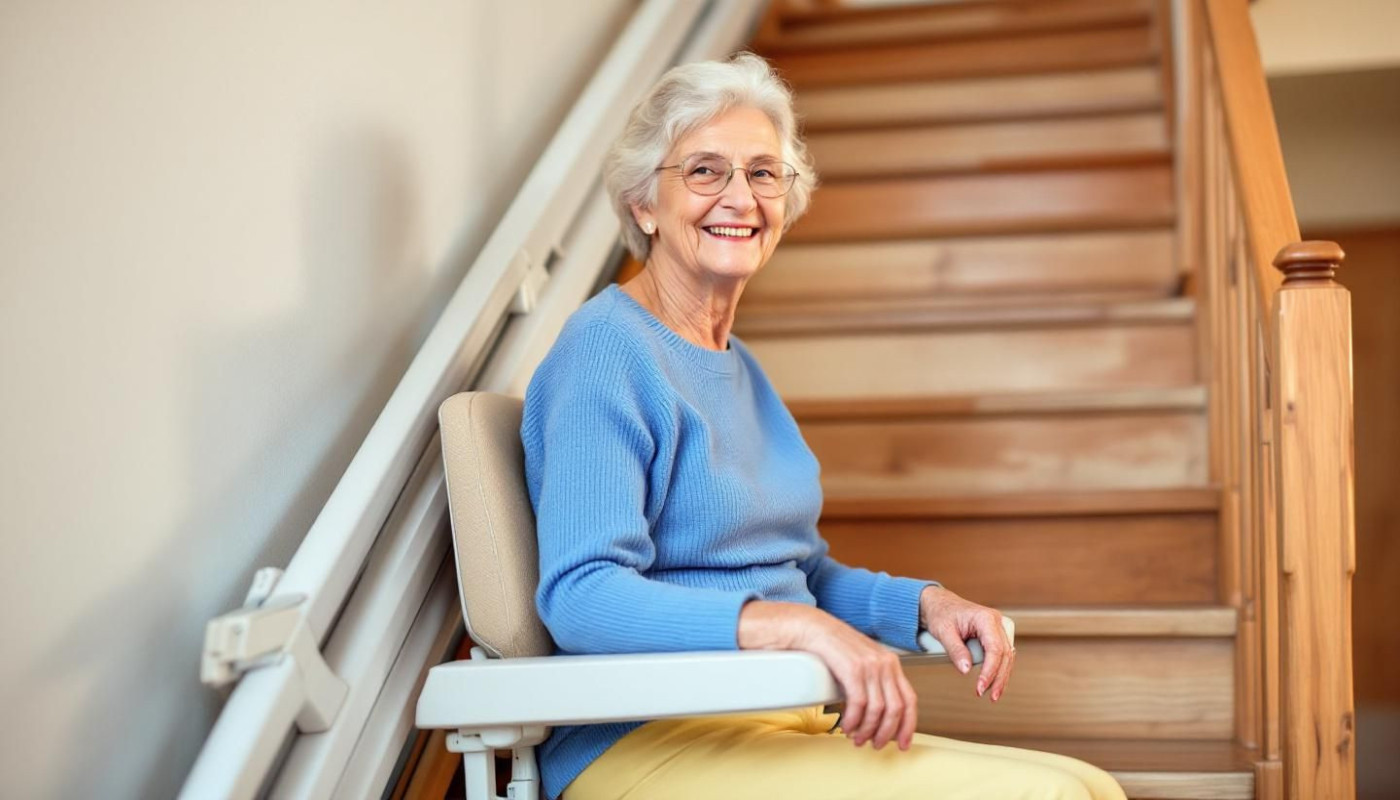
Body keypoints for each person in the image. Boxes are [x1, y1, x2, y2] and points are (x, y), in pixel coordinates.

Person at [520, 52, 1127, 800]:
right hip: (650, 740)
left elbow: (800, 573)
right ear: (644, 204)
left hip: (780, 721)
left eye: (763, 173)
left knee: (1090, 785)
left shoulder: (738, 364)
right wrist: (795, 628)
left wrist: (923, 604)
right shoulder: (606, 350)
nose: (740, 197)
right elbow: (582, 596)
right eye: (705, 171)